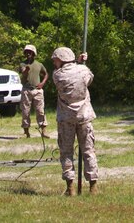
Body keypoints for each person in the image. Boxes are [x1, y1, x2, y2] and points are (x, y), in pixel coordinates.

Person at [52, 46, 98, 196]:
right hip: (84, 117)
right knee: (88, 151)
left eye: (56, 60)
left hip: (66, 119)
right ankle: (93, 186)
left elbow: (68, 74)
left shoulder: (57, 75)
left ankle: (70, 187)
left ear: (61, 59)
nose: (54, 63)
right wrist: (82, 64)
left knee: (66, 152)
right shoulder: (83, 71)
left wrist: (78, 63)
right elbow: (88, 78)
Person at [18, 44, 49, 138]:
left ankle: (43, 131)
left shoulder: (39, 64)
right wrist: (26, 70)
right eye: (26, 52)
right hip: (26, 90)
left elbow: (46, 74)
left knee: (40, 110)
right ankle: (26, 132)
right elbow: (23, 72)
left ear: (34, 53)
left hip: (37, 90)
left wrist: (42, 83)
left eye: (30, 52)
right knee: (25, 111)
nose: (28, 54)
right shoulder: (22, 64)